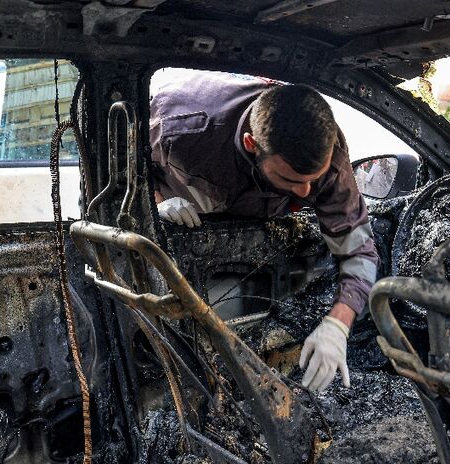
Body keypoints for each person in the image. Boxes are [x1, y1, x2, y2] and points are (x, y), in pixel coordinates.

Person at [149, 70, 378, 393]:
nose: (305, 193)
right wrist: (155, 201)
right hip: (186, 204)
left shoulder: (331, 157)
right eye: (291, 181)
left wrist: (338, 323)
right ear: (251, 145)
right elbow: (121, 161)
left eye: (314, 179)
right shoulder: (181, 128)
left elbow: (359, 250)